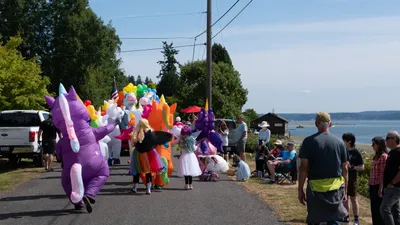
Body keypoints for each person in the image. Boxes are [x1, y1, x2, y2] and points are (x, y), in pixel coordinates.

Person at [298, 112, 348, 225]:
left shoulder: (308, 142)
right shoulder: (340, 143)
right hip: (335, 188)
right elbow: (345, 168)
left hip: (315, 188)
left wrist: (300, 189)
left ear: (316, 124)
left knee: (316, 219)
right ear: (330, 124)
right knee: (334, 219)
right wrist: (345, 191)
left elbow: (303, 167)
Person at [129, 119, 172, 195]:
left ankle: (135, 187)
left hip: (138, 153)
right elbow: (156, 142)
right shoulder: (151, 133)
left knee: (137, 171)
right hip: (149, 153)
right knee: (148, 171)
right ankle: (148, 189)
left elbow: (132, 144)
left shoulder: (136, 132)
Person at [342, 133, 364, 225]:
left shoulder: (356, 152)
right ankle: (346, 216)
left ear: (349, 141)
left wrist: (352, 167)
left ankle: (356, 219)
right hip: (343, 179)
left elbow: (362, 167)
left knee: (354, 199)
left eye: (344, 140)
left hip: (353, 179)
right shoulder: (342, 151)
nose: (343, 141)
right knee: (345, 198)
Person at [380, 131, 400, 225]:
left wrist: (392, 183)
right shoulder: (392, 152)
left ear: (394, 139)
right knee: (395, 211)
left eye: (387, 138)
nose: (385, 141)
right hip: (389, 187)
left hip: (394, 187)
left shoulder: (399, 152)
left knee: (384, 209)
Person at [369, 136, 388, 225]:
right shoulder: (376, 156)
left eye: (374, 144)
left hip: (378, 186)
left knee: (378, 209)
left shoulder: (383, 156)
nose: (372, 146)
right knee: (373, 209)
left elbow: (383, 174)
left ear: (379, 145)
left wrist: (380, 188)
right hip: (373, 185)